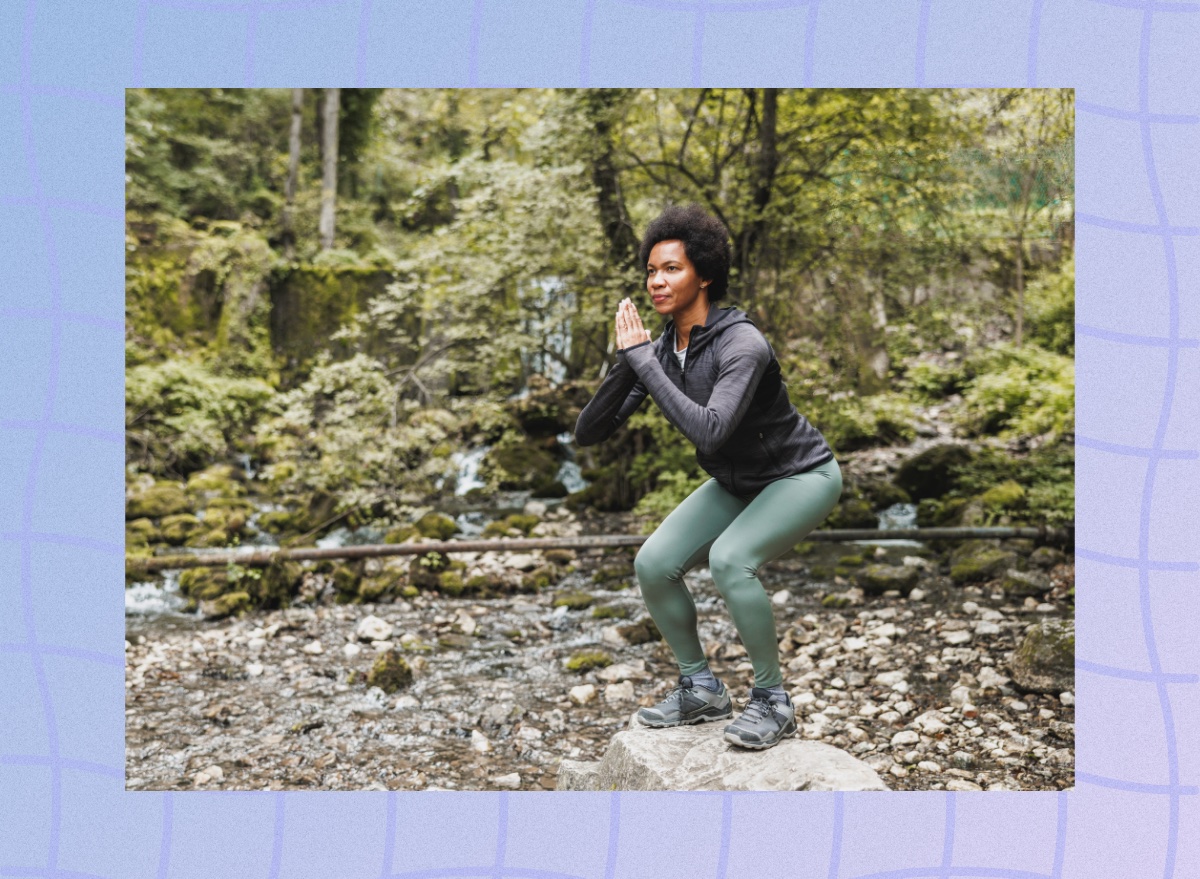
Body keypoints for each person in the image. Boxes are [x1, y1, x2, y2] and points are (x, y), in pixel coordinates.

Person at [574, 203, 842, 750]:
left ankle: (773, 700)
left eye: (671, 268)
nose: (656, 281)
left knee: (730, 559)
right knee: (653, 563)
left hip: (800, 475)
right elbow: (589, 432)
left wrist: (643, 363)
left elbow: (712, 431)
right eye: (651, 270)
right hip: (738, 481)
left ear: (706, 274)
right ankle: (700, 687)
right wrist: (628, 360)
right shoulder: (660, 350)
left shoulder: (742, 344)